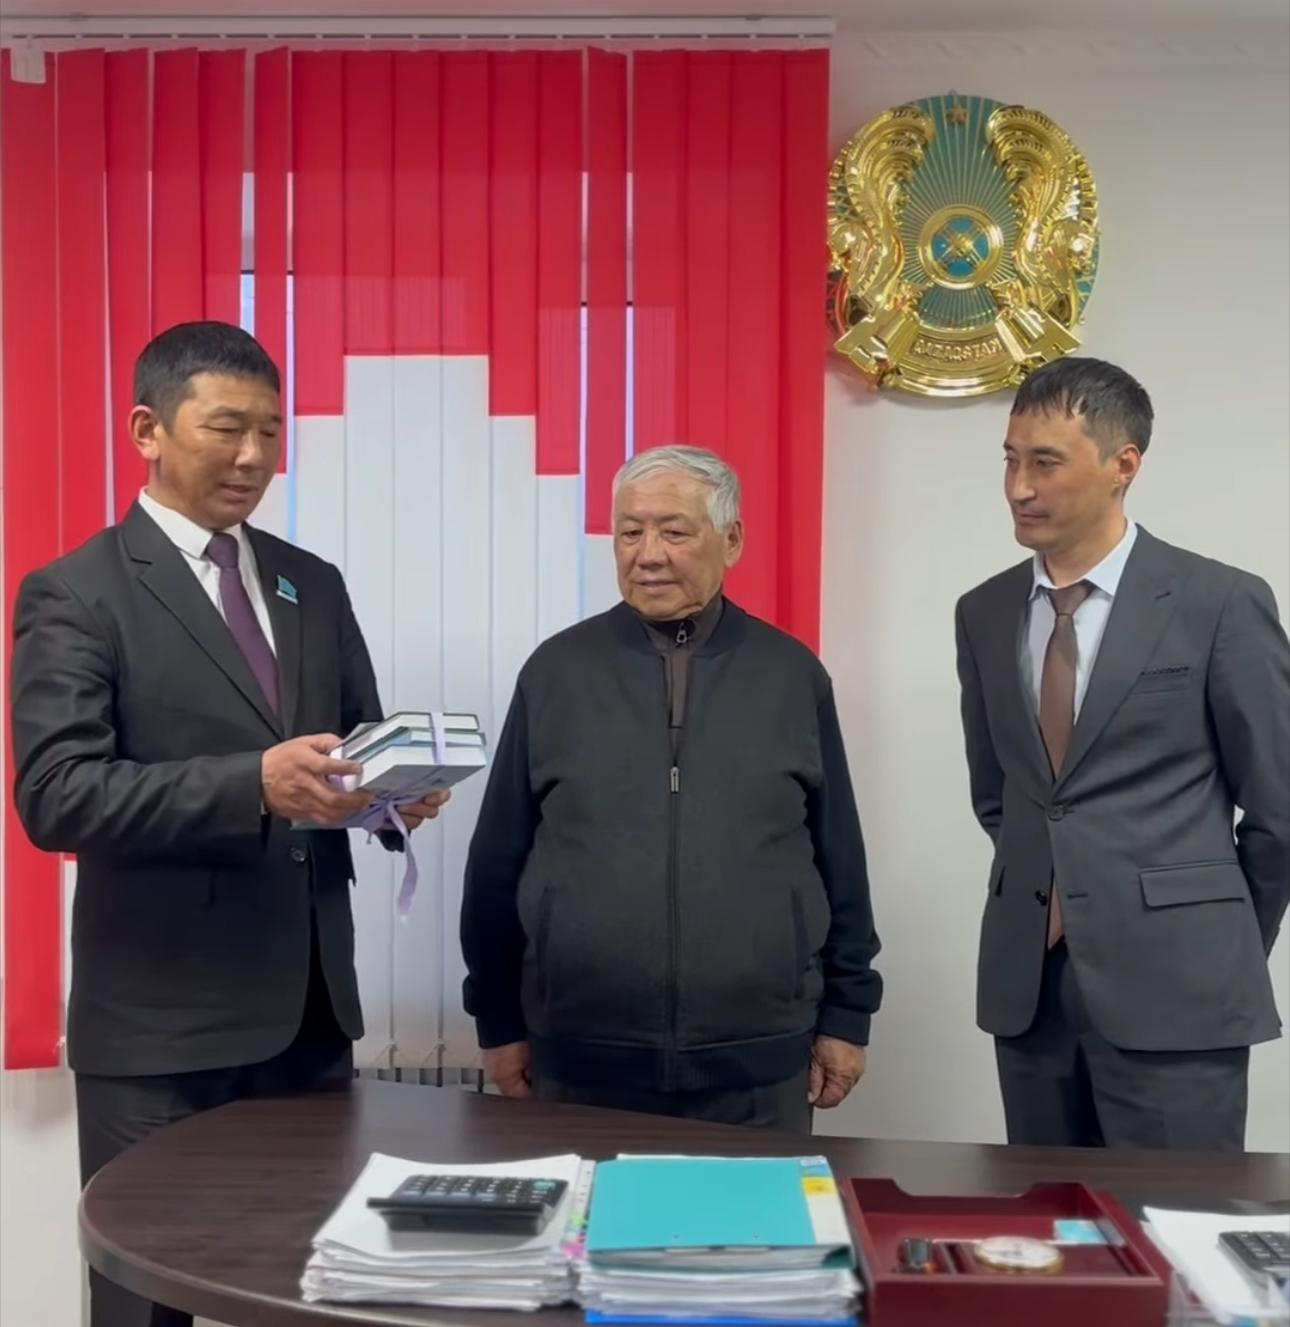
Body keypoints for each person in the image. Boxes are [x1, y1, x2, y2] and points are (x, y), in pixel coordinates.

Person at [10, 321, 449, 1327]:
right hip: (159, 1032)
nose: (254, 456)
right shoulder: (77, 592)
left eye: (271, 431)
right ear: (147, 430)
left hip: (308, 1018)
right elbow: (57, 794)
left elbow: (350, 745)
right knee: (143, 1304)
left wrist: (390, 793)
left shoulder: (311, 583)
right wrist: (253, 783)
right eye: (226, 429)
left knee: (313, 1291)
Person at [460, 445, 881, 1130]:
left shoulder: (790, 675)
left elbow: (840, 858)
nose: (648, 554)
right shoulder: (555, 673)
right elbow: (496, 862)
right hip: (580, 1060)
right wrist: (498, 1021)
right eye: (630, 531)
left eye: (674, 531)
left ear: (732, 540)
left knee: (754, 1209)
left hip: (760, 1063)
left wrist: (847, 1014)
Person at [955, 356, 1289, 1151]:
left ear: (1123, 465)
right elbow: (1001, 794)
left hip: (1181, 988)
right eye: (1010, 459)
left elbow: (1280, 810)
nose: (1019, 487)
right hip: (1029, 989)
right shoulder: (985, 610)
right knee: (1050, 1216)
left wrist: (1213, 934)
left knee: (1177, 1219)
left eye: (1045, 462)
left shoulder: (1219, 602)